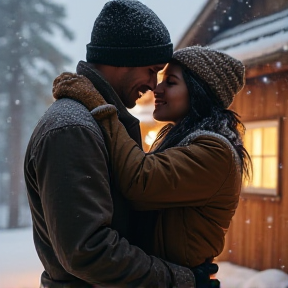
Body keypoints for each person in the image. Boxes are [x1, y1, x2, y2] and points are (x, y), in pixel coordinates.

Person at [24, 0, 217, 287]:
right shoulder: (73, 129)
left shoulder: (96, 123)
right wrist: (179, 280)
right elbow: (89, 251)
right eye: (152, 70)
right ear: (123, 58)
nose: (154, 85)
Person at [53, 46, 251, 277]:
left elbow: (139, 180)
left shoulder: (215, 153)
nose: (156, 88)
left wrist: (100, 107)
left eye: (171, 82)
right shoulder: (189, 144)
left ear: (199, 93)